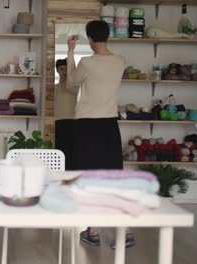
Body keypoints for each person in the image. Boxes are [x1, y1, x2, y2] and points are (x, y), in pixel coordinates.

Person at [55, 20, 136, 248]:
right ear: (107, 36)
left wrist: (70, 52)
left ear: (90, 38)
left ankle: (93, 231)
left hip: (86, 126)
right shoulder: (121, 61)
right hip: (109, 125)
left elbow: (71, 84)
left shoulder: (87, 62)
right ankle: (124, 231)